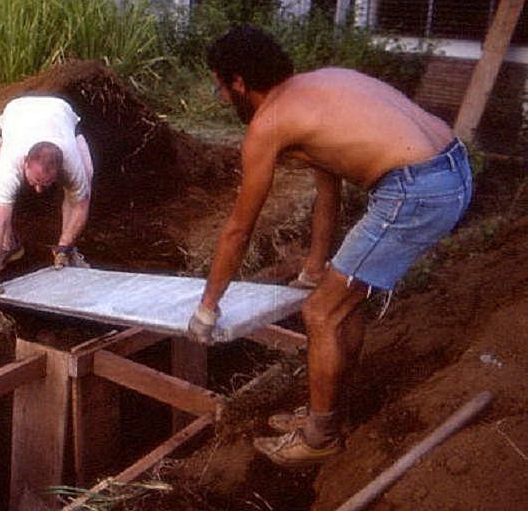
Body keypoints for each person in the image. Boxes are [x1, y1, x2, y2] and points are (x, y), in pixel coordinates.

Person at [187, 25, 472, 468]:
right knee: (343, 300)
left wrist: (208, 306)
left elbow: (238, 230)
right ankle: (327, 409)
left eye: (221, 86)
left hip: (418, 189)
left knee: (320, 312)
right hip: (451, 166)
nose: (222, 97)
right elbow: (329, 193)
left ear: (239, 82)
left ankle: (320, 437)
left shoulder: (269, 124)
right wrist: (315, 266)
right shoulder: (322, 85)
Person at [0, 93, 94, 301]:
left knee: (87, 173)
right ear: (25, 164)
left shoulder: (70, 163)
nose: (38, 190)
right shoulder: (11, 164)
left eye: (46, 184)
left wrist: (64, 246)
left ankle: (66, 250)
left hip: (61, 115)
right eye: (35, 182)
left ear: (60, 169)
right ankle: (8, 244)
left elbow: (81, 207)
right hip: (17, 114)